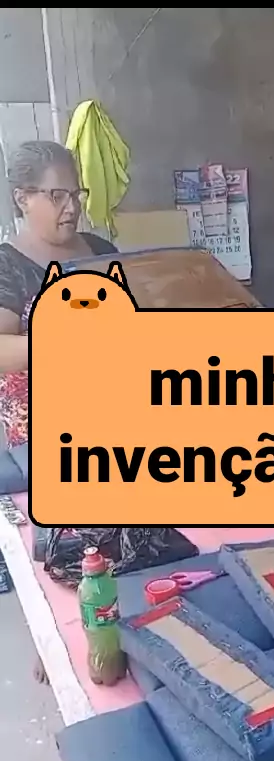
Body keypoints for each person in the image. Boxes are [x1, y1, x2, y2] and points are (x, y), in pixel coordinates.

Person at [0, 140, 118, 683]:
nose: (71, 207)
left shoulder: (100, 249)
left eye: (77, 193)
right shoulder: (8, 265)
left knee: (118, 531)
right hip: (40, 425)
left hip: (108, 407)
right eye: (56, 196)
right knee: (60, 540)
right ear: (22, 198)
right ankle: (57, 640)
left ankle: (107, 628)